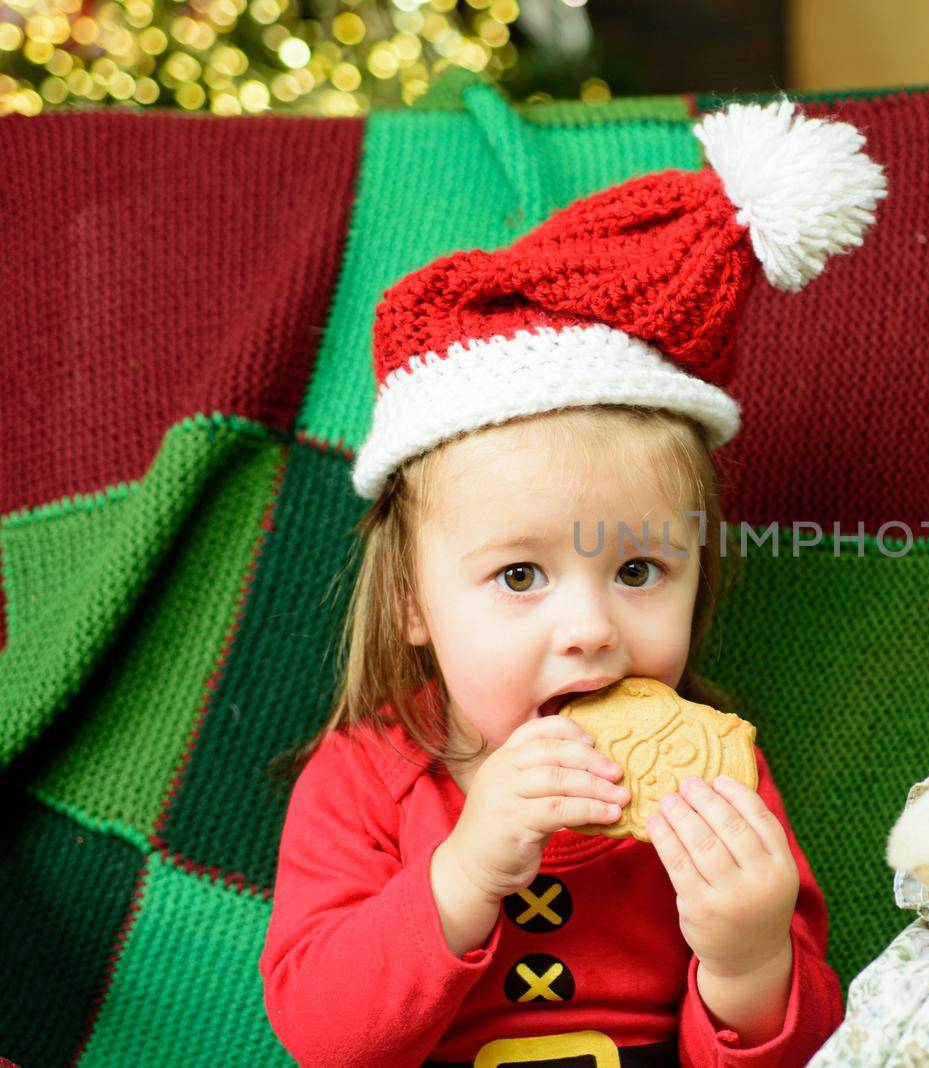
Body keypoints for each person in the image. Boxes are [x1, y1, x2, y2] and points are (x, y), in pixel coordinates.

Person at [258, 96, 888, 1067]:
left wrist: (750, 959)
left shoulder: (717, 778)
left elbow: (797, 1048)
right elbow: (324, 1036)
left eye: (638, 569)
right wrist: (462, 874)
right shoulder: (362, 782)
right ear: (411, 605)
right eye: (520, 574)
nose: (590, 627)